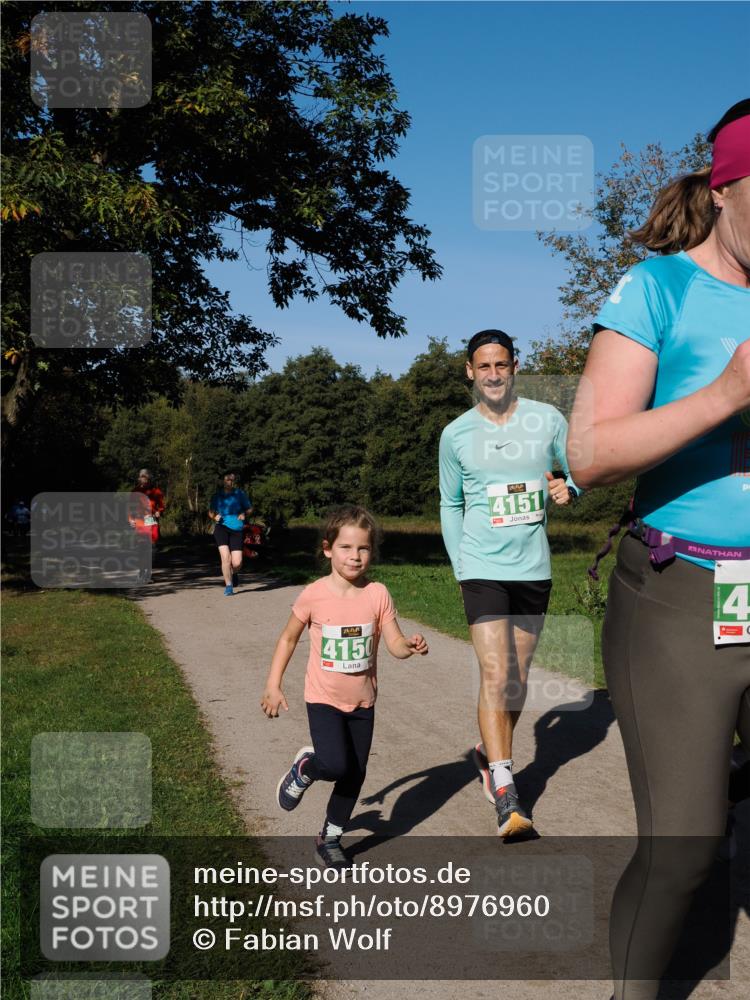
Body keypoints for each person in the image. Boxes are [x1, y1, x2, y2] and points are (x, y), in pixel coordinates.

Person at [567, 100, 750, 999]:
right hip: (680, 594)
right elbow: (591, 455)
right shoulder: (659, 289)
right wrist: (725, 395)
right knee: (683, 847)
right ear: (724, 189)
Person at [439, 329, 579, 837]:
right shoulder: (455, 434)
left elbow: (578, 465)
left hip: (532, 569)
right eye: (484, 367)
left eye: (501, 365)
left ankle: (486, 754)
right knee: (496, 674)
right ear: (469, 372)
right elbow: (450, 503)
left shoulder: (548, 419)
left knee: (515, 679)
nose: (493, 374)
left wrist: (571, 485)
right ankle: (506, 791)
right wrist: (461, 566)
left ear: (514, 366)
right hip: (481, 568)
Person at [260, 505, 428, 868]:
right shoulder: (314, 594)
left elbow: (394, 643)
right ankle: (306, 768)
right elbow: (288, 639)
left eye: (363, 549)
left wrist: (409, 648)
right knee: (335, 764)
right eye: (346, 548)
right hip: (323, 698)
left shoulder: (378, 594)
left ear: (372, 552)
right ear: (327, 549)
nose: (355, 556)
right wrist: (273, 685)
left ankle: (330, 837)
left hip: (363, 702)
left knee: (355, 773)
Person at [208, 472, 252, 596]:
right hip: (221, 527)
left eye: (232, 480)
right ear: (223, 481)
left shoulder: (240, 494)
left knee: (237, 562)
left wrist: (244, 513)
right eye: (227, 479)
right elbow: (210, 512)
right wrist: (214, 517)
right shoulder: (217, 496)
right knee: (226, 558)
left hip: (237, 529)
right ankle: (228, 585)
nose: (229, 482)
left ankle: (235, 572)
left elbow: (249, 508)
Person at [132, 469, 165, 545]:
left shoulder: (156, 491)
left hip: (151, 519)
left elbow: (161, 505)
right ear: (139, 478)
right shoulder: (135, 491)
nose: (143, 478)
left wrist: (158, 511)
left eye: (145, 476)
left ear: (149, 477)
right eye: (141, 476)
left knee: (152, 542)